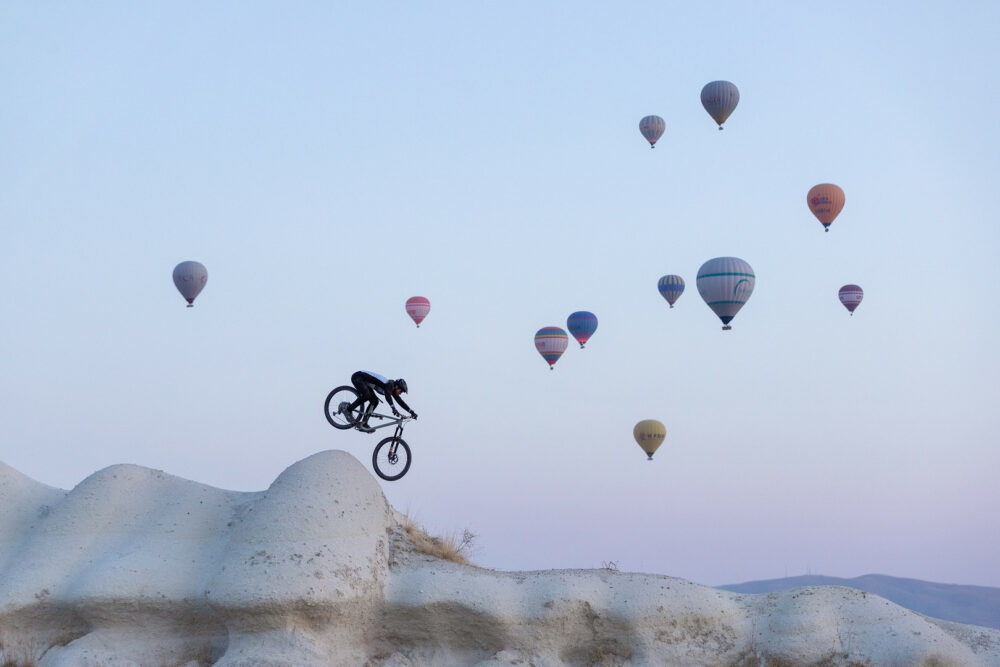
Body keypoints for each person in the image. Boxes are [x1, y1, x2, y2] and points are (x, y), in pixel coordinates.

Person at [347, 371, 417, 432]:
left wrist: (412, 412)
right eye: (401, 391)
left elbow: (401, 402)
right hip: (358, 377)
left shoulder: (392, 390)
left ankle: (364, 423)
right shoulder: (389, 384)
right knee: (366, 396)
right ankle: (348, 409)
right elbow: (387, 396)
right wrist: (393, 408)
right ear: (397, 386)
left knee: (374, 401)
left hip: (365, 382)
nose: (400, 393)